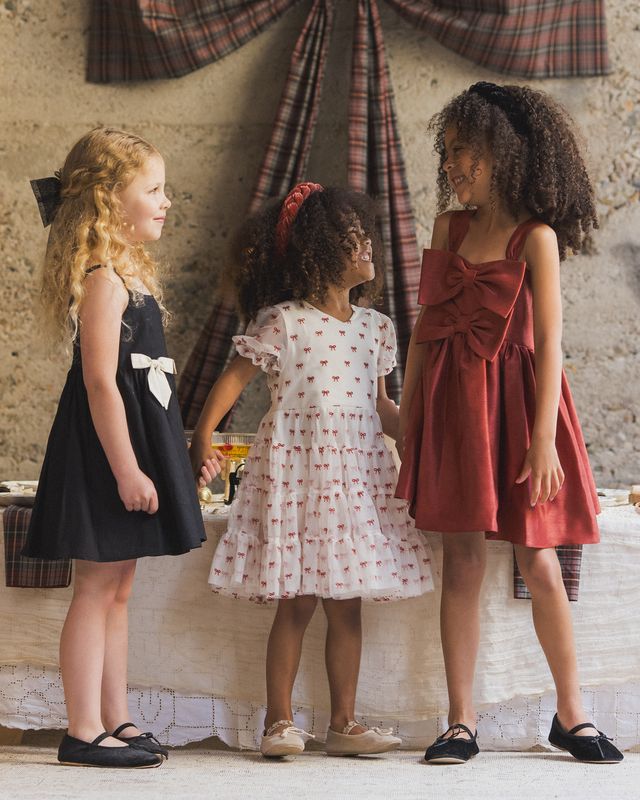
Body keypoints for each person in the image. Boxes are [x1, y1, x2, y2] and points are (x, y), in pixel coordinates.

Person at [395, 82, 623, 765]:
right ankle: (459, 721)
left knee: (540, 560)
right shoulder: (448, 229)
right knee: (461, 561)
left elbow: (550, 343)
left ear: (505, 154)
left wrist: (545, 438)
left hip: (523, 410)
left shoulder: (536, 239)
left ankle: (572, 714)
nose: (451, 164)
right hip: (456, 408)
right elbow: (425, 332)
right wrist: (410, 413)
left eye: (464, 150)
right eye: (447, 151)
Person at [190, 183, 434, 758]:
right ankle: (278, 722)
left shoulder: (375, 327)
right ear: (318, 251)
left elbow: (380, 404)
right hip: (299, 476)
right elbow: (232, 382)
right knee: (296, 601)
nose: (367, 246)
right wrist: (201, 436)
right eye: (353, 238)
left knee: (347, 604)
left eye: (368, 236)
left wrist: (420, 439)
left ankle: (343, 724)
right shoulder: (285, 322)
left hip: (356, 479)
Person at [24, 127, 213, 768]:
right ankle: (82, 730)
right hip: (106, 454)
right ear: (109, 200)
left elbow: (143, 387)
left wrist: (172, 456)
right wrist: (129, 470)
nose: (166, 201)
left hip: (131, 443)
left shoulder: (131, 277)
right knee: (96, 586)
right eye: (153, 190)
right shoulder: (104, 280)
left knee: (120, 587)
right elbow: (102, 383)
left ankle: (116, 716)